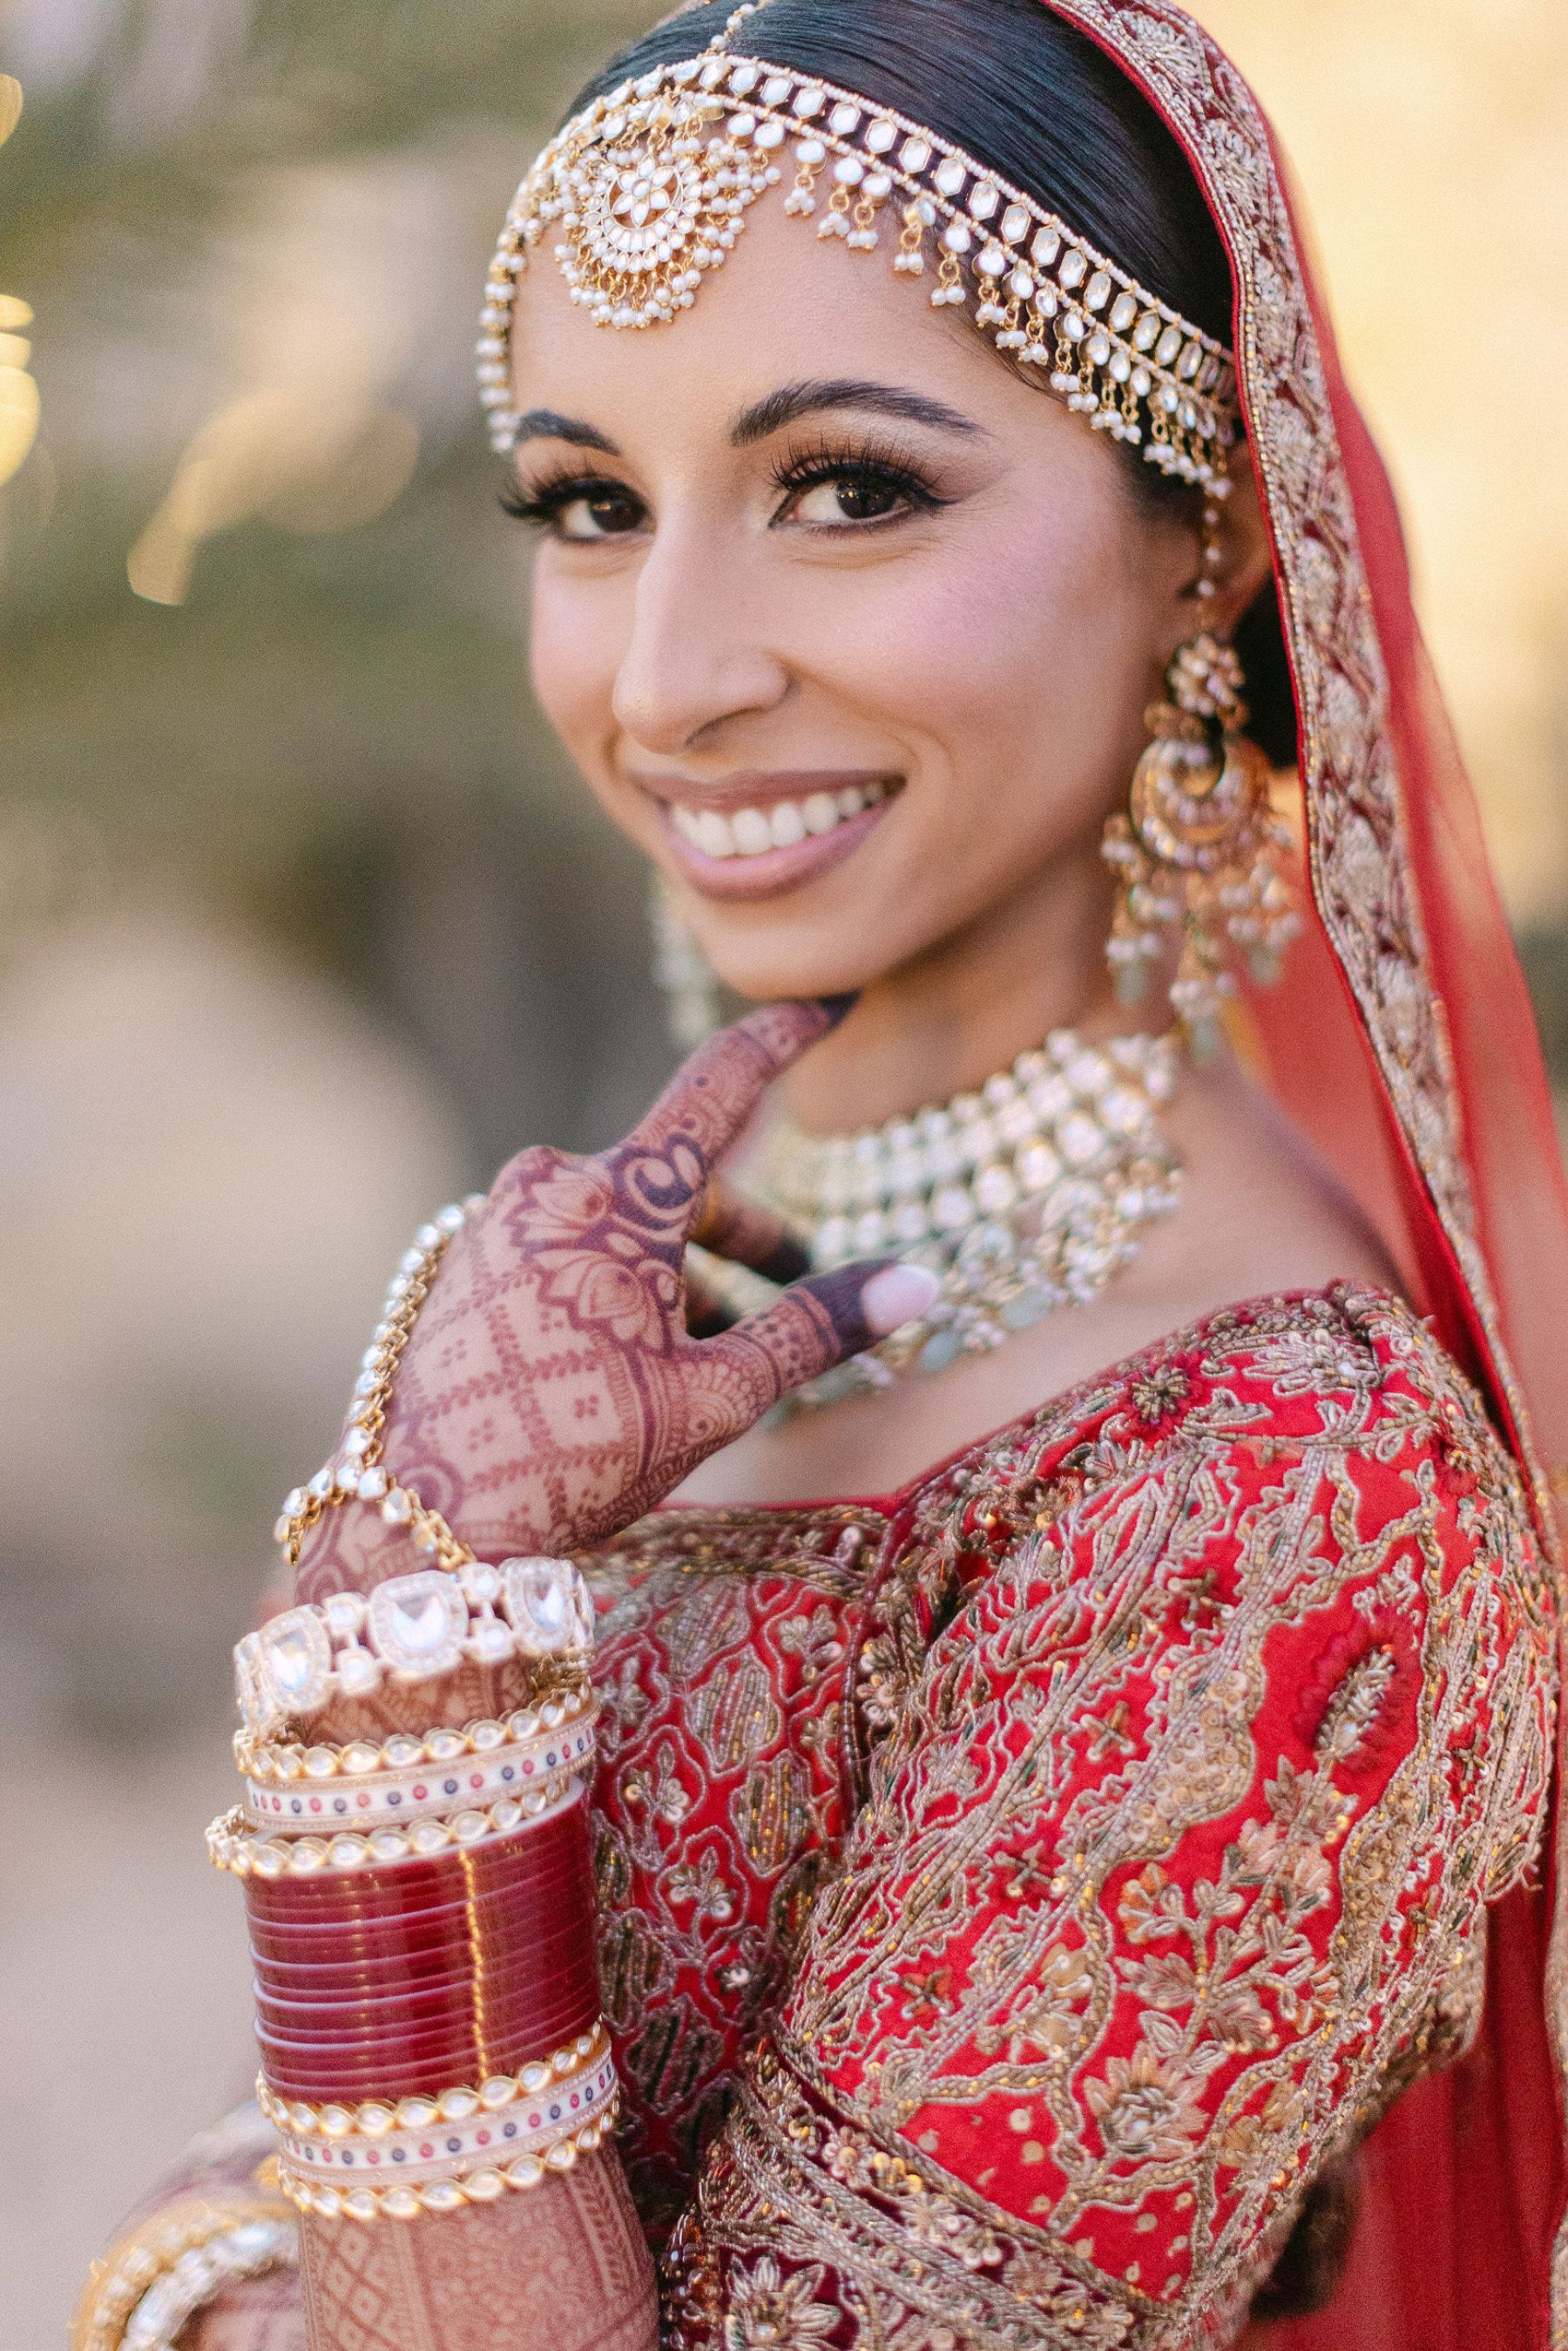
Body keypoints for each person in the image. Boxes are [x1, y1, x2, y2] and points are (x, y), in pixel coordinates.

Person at [73, 3, 1568, 2347]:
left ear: (1212, 536)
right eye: (589, 504)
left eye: (852, 488)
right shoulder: (600, 1295)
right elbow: (260, 2172)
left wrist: (410, 1663)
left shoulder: (1285, 1490)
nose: (668, 677)